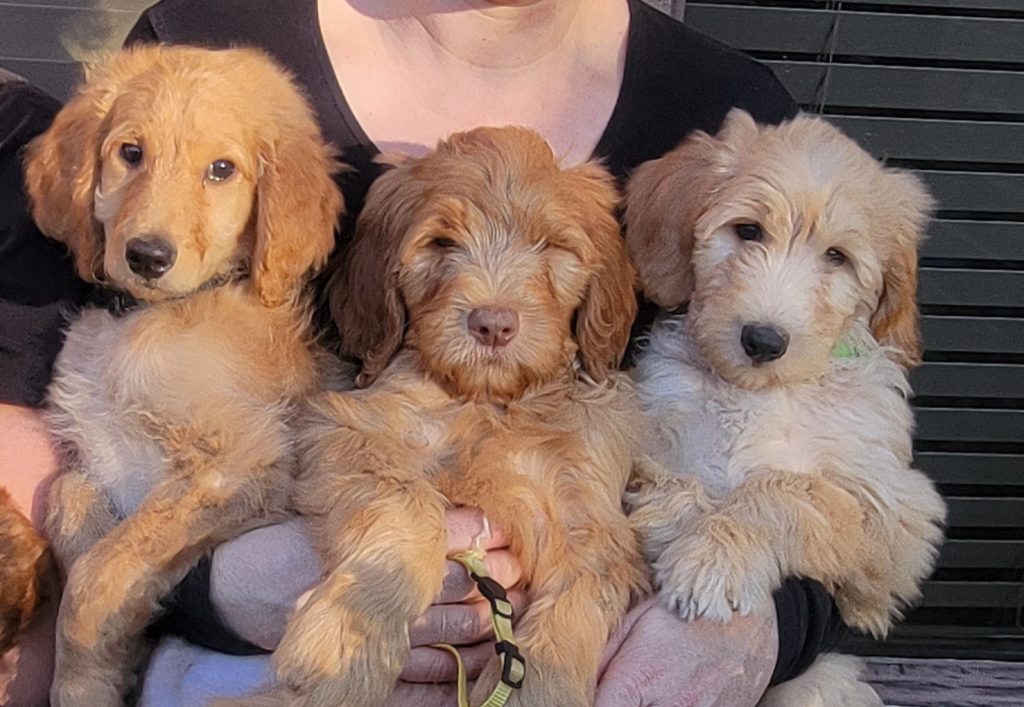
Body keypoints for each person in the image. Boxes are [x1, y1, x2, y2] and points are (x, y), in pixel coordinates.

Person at [0, 1, 846, 704]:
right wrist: (213, 588)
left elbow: (845, 449)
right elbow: (53, 431)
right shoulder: (210, 36)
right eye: (440, 246)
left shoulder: (731, 108)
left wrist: (760, 626)